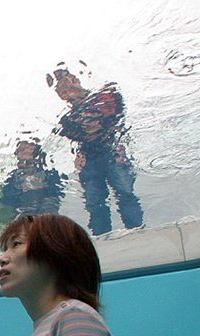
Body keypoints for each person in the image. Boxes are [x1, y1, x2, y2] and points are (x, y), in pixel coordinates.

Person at [49, 67, 143, 235]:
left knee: (125, 192)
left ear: (75, 79)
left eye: (65, 79)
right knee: (94, 201)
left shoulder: (106, 95)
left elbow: (117, 117)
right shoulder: (66, 120)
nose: (63, 85)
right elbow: (77, 136)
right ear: (59, 94)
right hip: (90, 159)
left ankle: (137, 232)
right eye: (59, 85)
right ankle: (101, 237)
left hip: (114, 152)